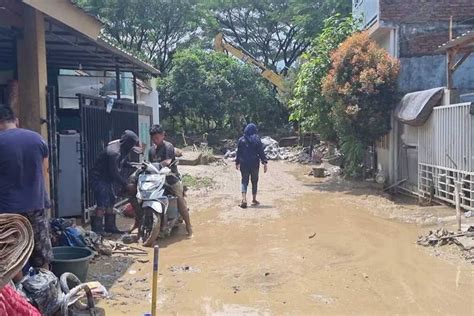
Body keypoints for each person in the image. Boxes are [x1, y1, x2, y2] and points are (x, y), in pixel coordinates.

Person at [0, 104, 53, 270]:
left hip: (8, 210)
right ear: (16, 121)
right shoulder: (37, 138)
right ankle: (46, 286)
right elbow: (45, 171)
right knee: (41, 252)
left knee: (11, 253)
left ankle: (20, 293)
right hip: (36, 204)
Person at [89, 130, 142, 235]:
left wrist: (136, 165)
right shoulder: (114, 152)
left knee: (111, 201)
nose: (132, 147)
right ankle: (97, 230)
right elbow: (114, 172)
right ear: (127, 143)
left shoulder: (122, 149)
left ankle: (110, 227)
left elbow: (123, 162)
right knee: (102, 204)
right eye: (131, 144)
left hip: (107, 178)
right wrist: (126, 184)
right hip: (98, 178)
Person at [148, 125, 193, 237]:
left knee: (180, 199)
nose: (156, 140)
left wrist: (157, 165)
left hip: (171, 178)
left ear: (163, 136)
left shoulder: (168, 147)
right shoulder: (151, 150)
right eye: (154, 138)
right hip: (156, 179)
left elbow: (167, 161)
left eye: (158, 137)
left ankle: (189, 227)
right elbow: (150, 165)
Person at [235, 123, 268, 208]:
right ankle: (254, 199)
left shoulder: (241, 140)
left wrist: (237, 162)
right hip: (254, 164)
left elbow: (238, 153)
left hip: (244, 164)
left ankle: (244, 199)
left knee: (244, 181)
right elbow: (261, 152)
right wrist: (264, 163)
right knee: (254, 181)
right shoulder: (257, 140)